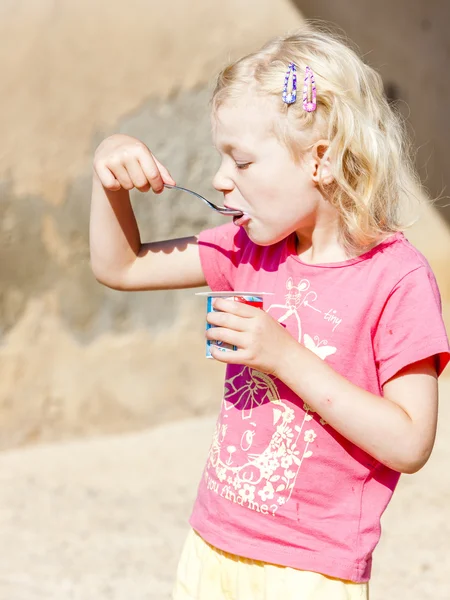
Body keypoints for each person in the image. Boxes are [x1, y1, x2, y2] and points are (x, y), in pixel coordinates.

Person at [89, 22, 450, 600]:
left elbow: (410, 444)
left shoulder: (397, 279)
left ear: (321, 160)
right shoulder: (247, 250)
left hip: (312, 572)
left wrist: (282, 355)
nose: (219, 179)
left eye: (243, 162)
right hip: (211, 547)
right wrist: (108, 173)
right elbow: (122, 267)